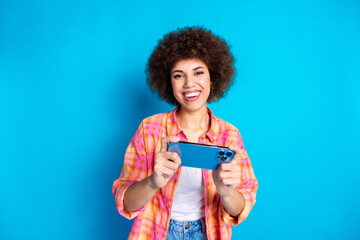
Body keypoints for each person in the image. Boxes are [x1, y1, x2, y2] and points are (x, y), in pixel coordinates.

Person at [112, 26, 258, 240]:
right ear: (168, 83)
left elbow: (240, 208)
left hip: (208, 233)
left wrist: (226, 192)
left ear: (212, 78)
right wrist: (154, 181)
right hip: (157, 231)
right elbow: (125, 202)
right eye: (178, 75)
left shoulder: (230, 135)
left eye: (198, 73)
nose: (189, 84)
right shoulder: (150, 128)